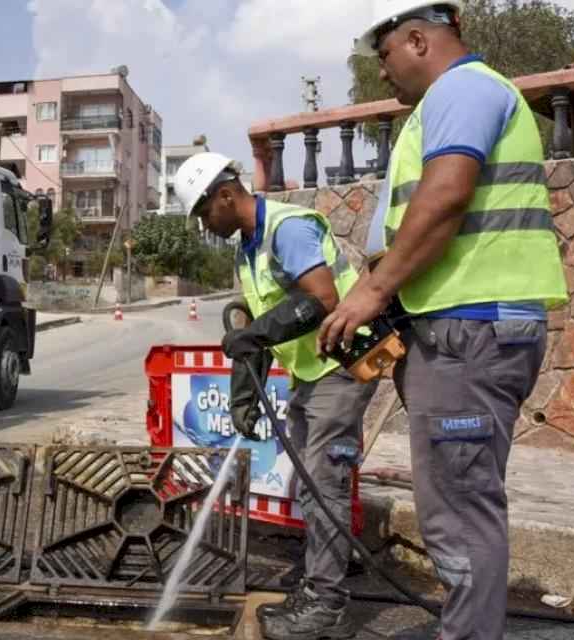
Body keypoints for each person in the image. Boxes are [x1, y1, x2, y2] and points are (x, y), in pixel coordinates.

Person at [319, 2, 567, 638]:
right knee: (455, 505)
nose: (383, 74)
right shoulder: (451, 101)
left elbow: (448, 193)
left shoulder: (464, 89)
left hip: (473, 330)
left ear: (419, 39)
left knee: (460, 512)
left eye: (386, 57)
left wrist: (374, 290)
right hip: (463, 328)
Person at [173, 152, 378, 640]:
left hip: (342, 365)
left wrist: (257, 334)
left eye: (205, 212)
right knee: (312, 484)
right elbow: (265, 330)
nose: (205, 224)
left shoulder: (287, 229)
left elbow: (323, 299)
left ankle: (326, 605)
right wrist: (245, 395)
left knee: (323, 483)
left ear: (226, 194)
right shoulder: (249, 249)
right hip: (314, 372)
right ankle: (321, 583)